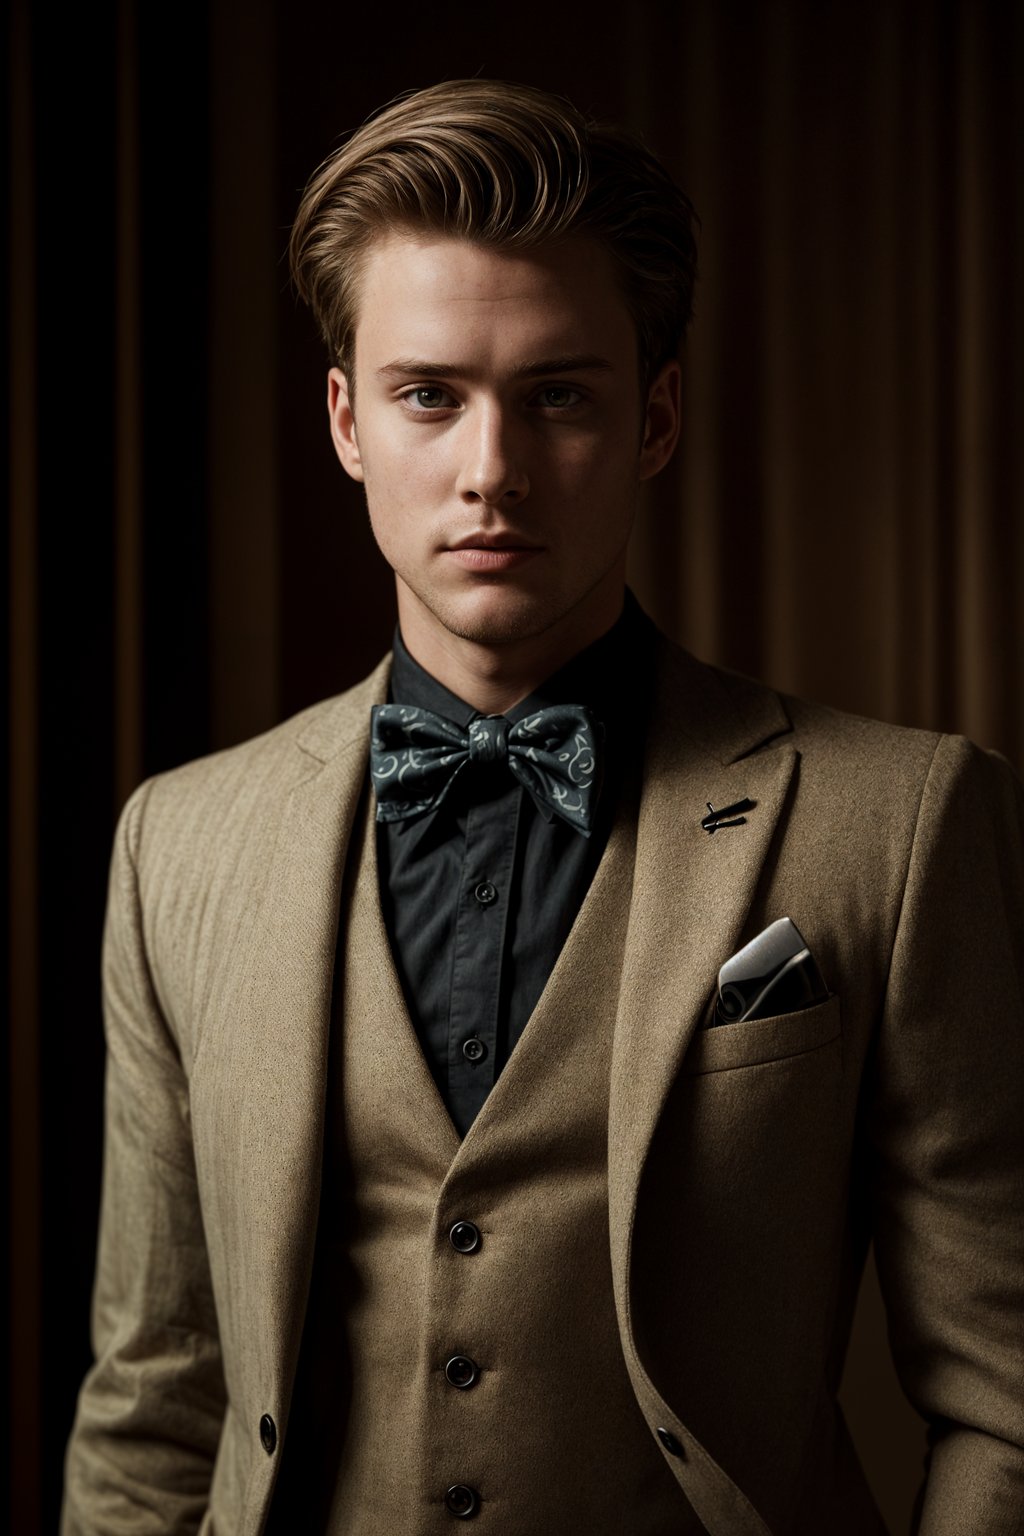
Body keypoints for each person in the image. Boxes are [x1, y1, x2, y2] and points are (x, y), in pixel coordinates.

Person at [62, 79, 1023, 1536]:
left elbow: (1005, 1394)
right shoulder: (178, 844)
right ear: (345, 423)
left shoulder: (897, 821)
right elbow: (152, 1402)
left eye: (557, 395)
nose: (490, 472)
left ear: (654, 419)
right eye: (428, 396)